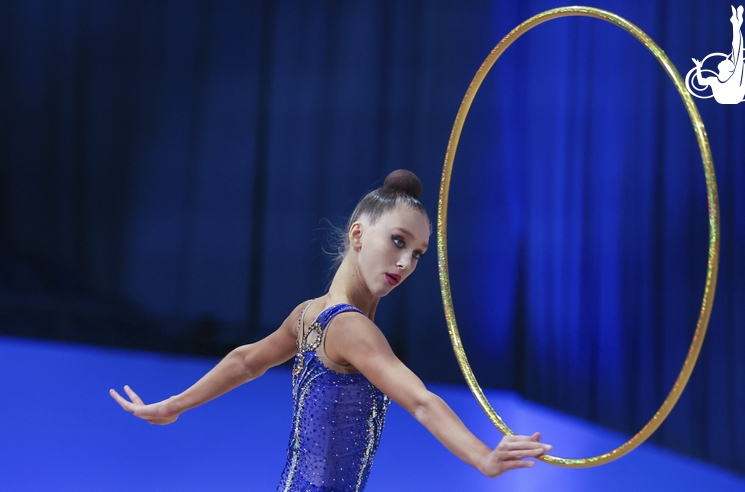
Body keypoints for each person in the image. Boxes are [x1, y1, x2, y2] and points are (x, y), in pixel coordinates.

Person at [110, 169, 551, 491]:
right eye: (398, 241)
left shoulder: (310, 314)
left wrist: (176, 404)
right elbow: (420, 401)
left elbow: (246, 362)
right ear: (358, 234)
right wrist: (482, 458)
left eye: (417, 253)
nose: (405, 263)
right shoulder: (350, 328)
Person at [692, 5, 745, 104]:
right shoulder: (714, 80)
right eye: (727, 60)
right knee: (736, 51)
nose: (725, 59)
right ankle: (736, 24)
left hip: (733, 96)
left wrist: (736, 26)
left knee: (737, 51)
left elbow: (737, 49)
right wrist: (698, 67)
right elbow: (701, 82)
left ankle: (736, 24)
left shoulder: (734, 77)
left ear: (729, 69)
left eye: (727, 61)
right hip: (726, 97)